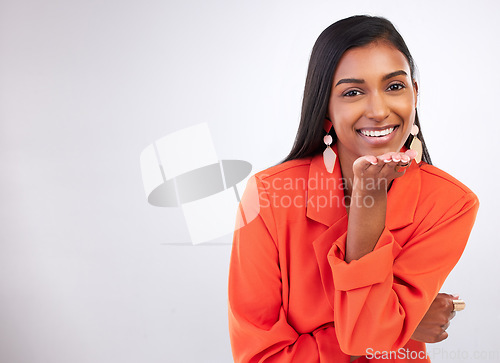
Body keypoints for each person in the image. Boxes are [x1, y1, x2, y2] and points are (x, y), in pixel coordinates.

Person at [228, 15, 479, 362]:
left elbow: (368, 336)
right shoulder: (268, 196)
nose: (379, 110)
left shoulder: (449, 204)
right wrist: (402, 322)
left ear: (415, 95)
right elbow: (259, 356)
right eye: (353, 92)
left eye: (394, 86)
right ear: (325, 107)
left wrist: (368, 201)